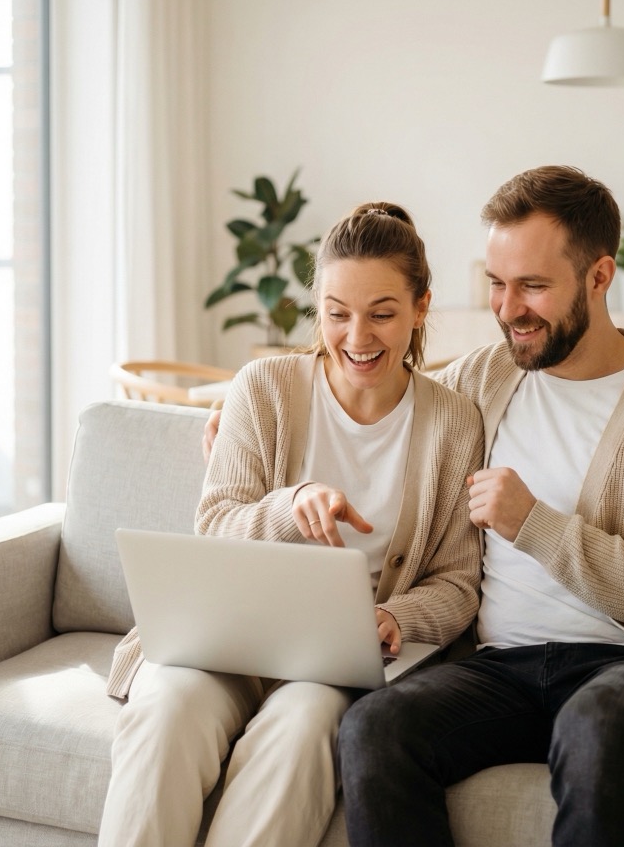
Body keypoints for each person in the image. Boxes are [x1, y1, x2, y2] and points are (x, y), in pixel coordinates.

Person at [334, 166, 624, 847]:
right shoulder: (482, 378)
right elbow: (371, 399)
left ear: (599, 276)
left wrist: (535, 526)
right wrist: (247, 419)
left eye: (533, 286)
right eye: (496, 284)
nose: (509, 309)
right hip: (504, 668)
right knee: (374, 726)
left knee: (595, 724)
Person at [97, 201, 484, 847]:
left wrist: (397, 618)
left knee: (303, 728)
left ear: (421, 308)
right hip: (224, 638)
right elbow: (215, 525)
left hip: (332, 664)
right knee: (166, 709)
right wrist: (288, 507)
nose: (357, 337)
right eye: (337, 313)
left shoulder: (454, 423)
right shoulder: (264, 388)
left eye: (382, 314)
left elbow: (457, 582)